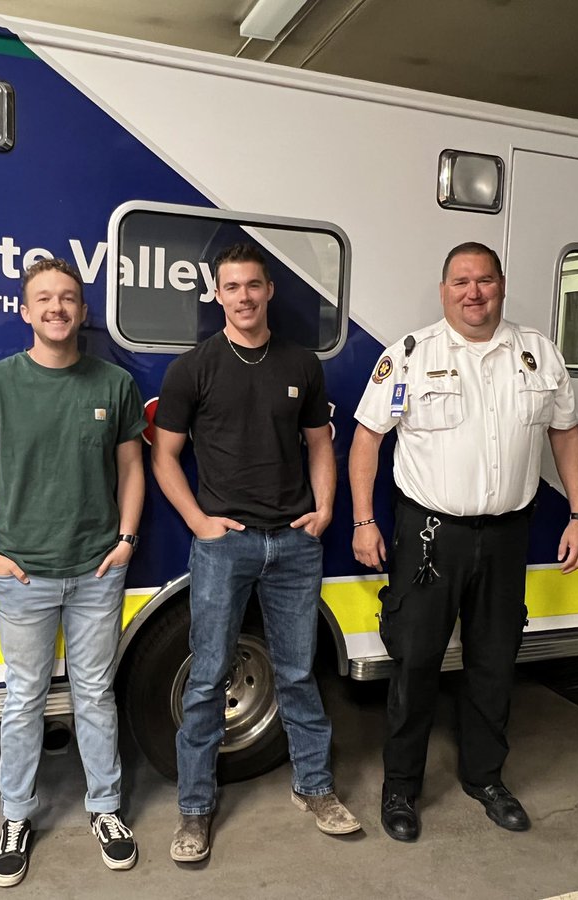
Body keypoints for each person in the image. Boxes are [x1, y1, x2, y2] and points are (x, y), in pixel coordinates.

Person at [348, 241, 578, 841]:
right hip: (431, 537)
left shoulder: (537, 354)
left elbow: (567, 435)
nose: (473, 293)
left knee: (493, 664)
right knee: (416, 664)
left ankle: (486, 778)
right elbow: (366, 440)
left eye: (483, 281)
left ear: (501, 286)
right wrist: (363, 520)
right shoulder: (410, 354)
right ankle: (401, 791)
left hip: (508, 535)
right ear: (443, 291)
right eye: (461, 282)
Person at [151, 242, 361, 863]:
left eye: (253, 286)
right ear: (216, 294)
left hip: (295, 545)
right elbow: (162, 455)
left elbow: (320, 443)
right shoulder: (193, 368)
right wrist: (198, 522)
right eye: (231, 286)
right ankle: (194, 811)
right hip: (226, 546)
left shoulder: (301, 362)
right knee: (208, 675)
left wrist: (323, 512)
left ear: (270, 291)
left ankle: (316, 790)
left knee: (297, 672)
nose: (242, 297)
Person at [0, 257, 145, 887]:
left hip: (97, 570)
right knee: (23, 698)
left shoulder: (112, 384)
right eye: (44, 298)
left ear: (83, 312)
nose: (56, 308)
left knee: (94, 694)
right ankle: (16, 816)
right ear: (24, 310)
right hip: (22, 575)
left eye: (68, 298)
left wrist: (124, 540)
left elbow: (131, 470)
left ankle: (106, 809)